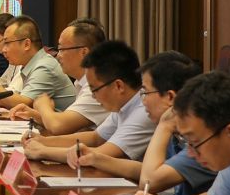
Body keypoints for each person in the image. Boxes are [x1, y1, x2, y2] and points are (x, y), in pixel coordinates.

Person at [84, 52, 217, 195]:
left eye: (145, 92)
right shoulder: (178, 132)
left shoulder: (201, 141)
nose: (143, 101)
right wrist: (95, 158)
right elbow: (145, 170)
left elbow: (148, 181)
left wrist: (164, 126)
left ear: (170, 97)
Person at [23, 40, 152, 165]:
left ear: (118, 86)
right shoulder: (124, 103)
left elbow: (101, 154)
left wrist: (43, 151)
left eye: (95, 89)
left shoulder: (144, 110)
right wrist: (43, 141)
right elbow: (96, 138)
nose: (94, 96)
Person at [15, 17, 108, 134]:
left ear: (84, 52)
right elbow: (74, 127)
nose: (58, 55)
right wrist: (35, 116)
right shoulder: (81, 82)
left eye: (62, 49)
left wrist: (43, 105)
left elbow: (58, 125)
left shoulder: (98, 86)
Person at [0, 16, 74, 112]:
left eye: (7, 43)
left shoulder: (44, 66)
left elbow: (20, 103)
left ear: (26, 44)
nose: (3, 50)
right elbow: (16, 97)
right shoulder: (31, 64)